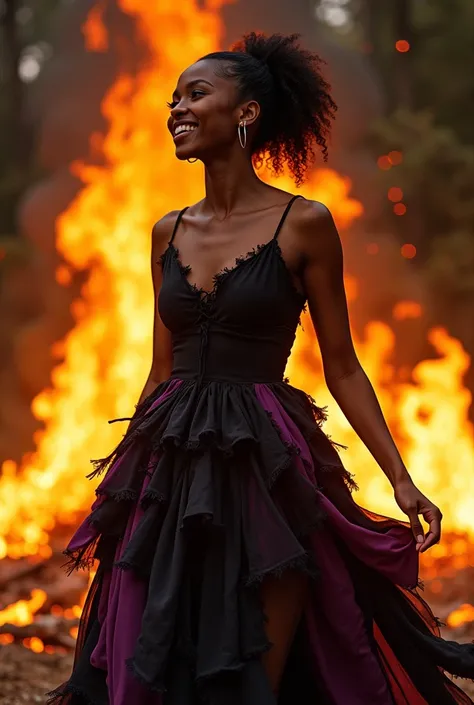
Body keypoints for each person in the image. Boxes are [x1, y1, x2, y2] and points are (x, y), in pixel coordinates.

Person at [49, 31, 474, 705]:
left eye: (196, 94)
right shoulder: (167, 230)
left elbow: (345, 367)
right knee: (145, 646)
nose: (176, 110)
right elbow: (161, 366)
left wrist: (401, 477)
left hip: (263, 457)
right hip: (171, 452)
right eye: (172, 98)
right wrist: (126, 475)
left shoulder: (303, 223)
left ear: (246, 113)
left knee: (253, 663)